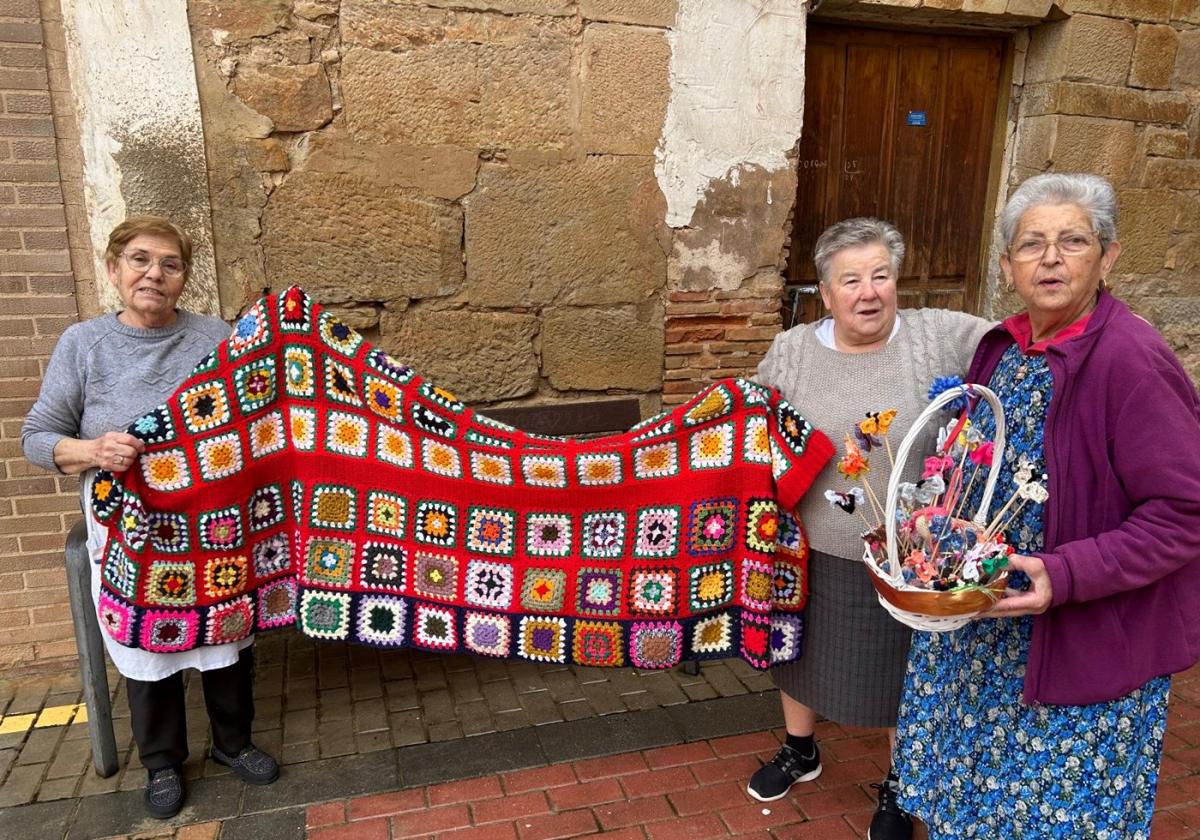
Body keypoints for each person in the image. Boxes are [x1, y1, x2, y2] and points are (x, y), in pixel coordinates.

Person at [893, 173, 1200, 838]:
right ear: (1007, 266)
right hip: (983, 635)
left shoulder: (1131, 359)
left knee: (1054, 818)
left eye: (1073, 241)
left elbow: (1185, 513)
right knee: (971, 805)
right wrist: (937, 517)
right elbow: (970, 459)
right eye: (1032, 244)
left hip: (1079, 647)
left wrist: (1065, 574)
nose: (1051, 258)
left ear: (1108, 257)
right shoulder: (1002, 346)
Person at [22, 216, 279, 819]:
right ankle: (162, 762)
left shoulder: (217, 338)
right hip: (130, 526)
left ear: (184, 278)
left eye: (170, 264)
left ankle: (232, 744)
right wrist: (92, 451)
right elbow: (38, 438)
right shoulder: (82, 345)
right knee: (147, 640)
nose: (153, 275)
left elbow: (261, 418)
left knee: (227, 628)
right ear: (114, 269)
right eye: (139, 260)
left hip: (212, 524)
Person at [749, 218, 992, 839]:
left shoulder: (941, 335)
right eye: (850, 280)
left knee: (899, 675)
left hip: (907, 558)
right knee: (798, 658)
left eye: (881, 275)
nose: (868, 292)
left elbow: (1022, 347)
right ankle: (800, 751)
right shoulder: (793, 349)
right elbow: (752, 426)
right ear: (826, 293)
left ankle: (898, 784)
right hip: (811, 545)